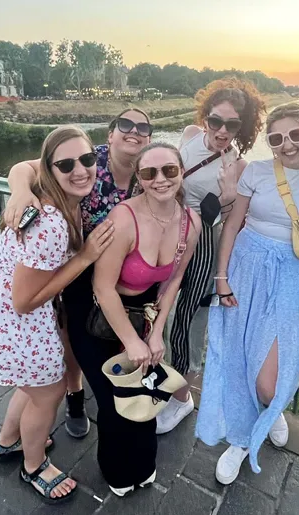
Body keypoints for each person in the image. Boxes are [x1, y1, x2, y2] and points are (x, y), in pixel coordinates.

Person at [0, 126, 115, 503]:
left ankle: (8, 441)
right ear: (50, 169)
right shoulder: (49, 223)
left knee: (32, 383)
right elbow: (25, 302)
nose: (80, 170)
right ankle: (34, 466)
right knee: (49, 392)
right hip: (9, 310)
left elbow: (24, 168)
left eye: (87, 159)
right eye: (66, 164)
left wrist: (20, 186)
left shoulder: (56, 195)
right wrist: (85, 257)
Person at [195, 103, 299, 484]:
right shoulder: (256, 172)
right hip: (245, 265)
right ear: (268, 142)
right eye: (276, 138)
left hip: (289, 274)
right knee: (238, 352)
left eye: (295, 135)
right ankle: (241, 439)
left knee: (269, 378)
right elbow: (232, 225)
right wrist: (221, 276)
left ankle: (270, 409)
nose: (287, 144)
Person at [2, 108, 152, 439]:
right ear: (110, 134)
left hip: (121, 272)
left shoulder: (150, 172)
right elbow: (24, 167)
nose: (134, 131)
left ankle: (115, 391)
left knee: (115, 335)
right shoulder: (86, 158)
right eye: (125, 123)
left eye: (143, 127)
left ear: (150, 138)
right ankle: (75, 395)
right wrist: (21, 191)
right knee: (70, 337)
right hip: (77, 266)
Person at [83, 142, 200, 496]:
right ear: (139, 177)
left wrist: (156, 333)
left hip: (146, 311)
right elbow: (102, 287)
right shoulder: (124, 218)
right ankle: (117, 471)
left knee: (146, 393)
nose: (160, 180)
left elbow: (174, 279)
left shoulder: (190, 223)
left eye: (169, 170)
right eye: (149, 173)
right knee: (113, 400)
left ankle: (144, 464)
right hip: (101, 312)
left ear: (182, 172)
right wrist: (132, 340)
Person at [157, 78, 266, 435]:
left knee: (188, 320)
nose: (222, 130)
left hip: (201, 242)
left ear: (241, 127)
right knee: (157, 309)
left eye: (232, 125)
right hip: (163, 234)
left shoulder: (239, 166)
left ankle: (181, 400)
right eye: (216, 121)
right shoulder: (188, 135)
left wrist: (228, 195)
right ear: (204, 118)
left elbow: (226, 218)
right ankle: (161, 380)